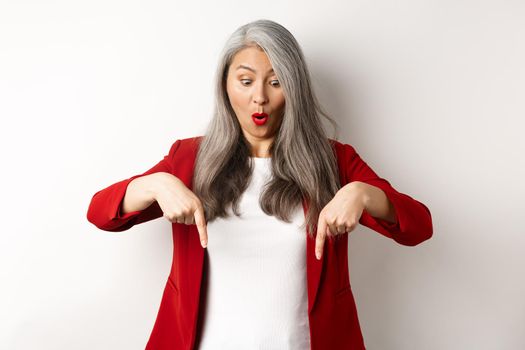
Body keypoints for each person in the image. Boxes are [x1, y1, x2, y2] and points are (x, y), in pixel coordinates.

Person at [86, 19, 433, 350]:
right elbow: (100, 213)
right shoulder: (189, 159)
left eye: (276, 81)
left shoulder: (334, 161)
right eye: (246, 80)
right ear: (226, 85)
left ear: (294, 88)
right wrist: (154, 185)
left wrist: (363, 194)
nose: (260, 98)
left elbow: (419, 226)